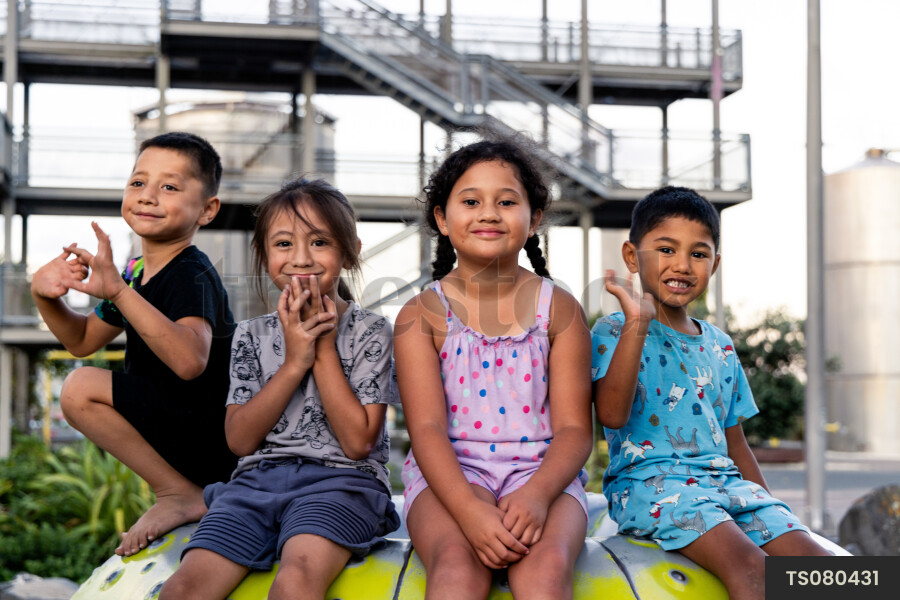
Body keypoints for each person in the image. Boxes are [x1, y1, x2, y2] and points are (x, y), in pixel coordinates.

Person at [159, 178, 400, 600]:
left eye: (320, 242)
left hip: (344, 484)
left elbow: (360, 443)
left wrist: (321, 346)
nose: (301, 258)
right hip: (254, 486)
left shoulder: (371, 331)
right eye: (284, 243)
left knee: (296, 580)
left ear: (350, 251)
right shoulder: (251, 335)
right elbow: (240, 440)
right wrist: (293, 363)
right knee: (182, 589)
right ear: (264, 254)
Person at [592, 186, 830, 600]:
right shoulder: (614, 330)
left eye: (698, 254)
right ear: (632, 256)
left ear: (714, 263)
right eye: (666, 249)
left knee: (820, 564)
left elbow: (735, 443)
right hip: (655, 487)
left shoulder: (719, 344)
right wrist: (637, 324)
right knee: (750, 568)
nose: (682, 265)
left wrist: (770, 512)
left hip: (728, 487)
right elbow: (611, 415)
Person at [394, 138, 594, 600]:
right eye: (470, 201)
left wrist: (538, 494)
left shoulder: (559, 309)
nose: (488, 213)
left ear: (534, 219)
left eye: (506, 202)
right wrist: (468, 510)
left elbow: (573, 430)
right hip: (450, 474)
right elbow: (425, 430)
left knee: (544, 574)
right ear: (442, 219)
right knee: (456, 571)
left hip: (544, 474)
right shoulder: (421, 314)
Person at [30, 131, 237, 556]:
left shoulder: (190, 272)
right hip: (173, 423)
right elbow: (83, 340)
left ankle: (177, 494)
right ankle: (178, 491)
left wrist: (120, 294)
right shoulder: (135, 272)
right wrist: (44, 296)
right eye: (138, 183)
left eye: (170, 187)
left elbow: (189, 361)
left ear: (207, 209)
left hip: (207, 428)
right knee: (82, 380)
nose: (148, 196)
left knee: (79, 388)